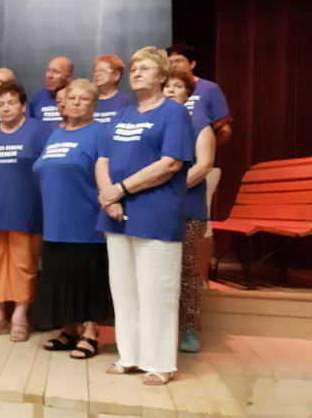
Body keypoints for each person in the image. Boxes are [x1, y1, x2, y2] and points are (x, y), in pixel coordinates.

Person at [96, 46, 193, 385]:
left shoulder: (174, 113)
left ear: (163, 76)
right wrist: (109, 196)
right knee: (124, 291)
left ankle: (160, 363)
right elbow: (102, 160)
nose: (137, 73)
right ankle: (130, 356)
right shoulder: (121, 115)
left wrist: (120, 190)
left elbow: (170, 164)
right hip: (116, 213)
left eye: (146, 68)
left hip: (156, 212)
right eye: (134, 68)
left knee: (157, 291)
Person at [32, 79, 113, 359]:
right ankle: (69, 330)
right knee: (60, 278)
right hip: (55, 222)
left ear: (94, 104)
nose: (76, 103)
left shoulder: (100, 132)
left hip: (86, 221)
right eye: (72, 98)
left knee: (88, 277)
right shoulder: (56, 134)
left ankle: (90, 333)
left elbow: (107, 175)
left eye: (84, 99)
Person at [0, 80, 52, 341]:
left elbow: (48, 170)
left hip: (25, 208)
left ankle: (20, 317)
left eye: (11, 103)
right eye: (1, 104)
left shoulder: (39, 129)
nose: (5, 108)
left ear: (23, 106)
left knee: (23, 264)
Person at [167, 43, 232, 283]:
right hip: (170, 175)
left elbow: (225, 129)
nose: (173, 65)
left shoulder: (208, 89)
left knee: (200, 222)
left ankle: (202, 279)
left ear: (192, 64)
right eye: (170, 62)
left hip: (203, 166)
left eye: (179, 61)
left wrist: (203, 146)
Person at [163, 71, 215, 353]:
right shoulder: (157, 121)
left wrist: (171, 189)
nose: (171, 90)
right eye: (166, 85)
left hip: (188, 207)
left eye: (178, 85)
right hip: (158, 208)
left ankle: (190, 330)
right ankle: (162, 329)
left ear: (188, 93)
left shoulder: (199, 122)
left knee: (188, 270)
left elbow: (204, 165)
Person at [27, 57, 73, 129]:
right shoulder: (39, 97)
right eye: (48, 70)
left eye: (56, 72)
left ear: (69, 77)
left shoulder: (76, 98)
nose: (50, 76)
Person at [93, 55, 133, 124]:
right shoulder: (89, 100)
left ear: (116, 75)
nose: (97, 74)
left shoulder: (126, 101)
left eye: (102, 70)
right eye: (95, 71)